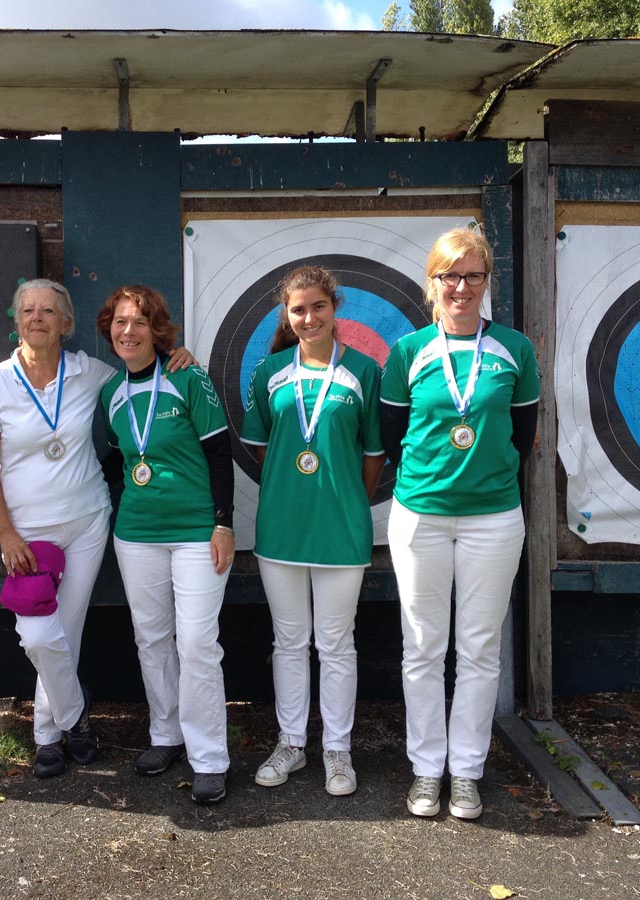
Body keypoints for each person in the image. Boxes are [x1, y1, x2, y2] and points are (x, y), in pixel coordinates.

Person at [0, 279, 193, 779]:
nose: (37, 318)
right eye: (28, 310)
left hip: (88, 521)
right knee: (38, 636)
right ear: (16, 321)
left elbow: (142, 370)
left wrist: (177, 358)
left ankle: (47, 739)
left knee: (66, 631)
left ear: (66, 324)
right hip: (27, 534)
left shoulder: (90, 372)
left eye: (48, 311)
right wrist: (5, 533)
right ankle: (73, 717)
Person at [380, 226, 540, 820]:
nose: (461, 287)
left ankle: (466, 771)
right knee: (422, 647)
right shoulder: (408, 351)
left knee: (479, 649)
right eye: (450, 275)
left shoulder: (515, 349)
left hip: (493, 518)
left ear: (486, 281)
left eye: (473, 275)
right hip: (420, 516)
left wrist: (480, 474)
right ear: (433, 282)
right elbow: (393, 437)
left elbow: (522, 435)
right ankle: (427, 769)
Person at [240, 265, 385, 797]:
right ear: (287, 314)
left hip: (341, 529)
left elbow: (374, 455)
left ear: (334, 307)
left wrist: (343, 496)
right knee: (289, 641)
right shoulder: (270, 372)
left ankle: (337, 750)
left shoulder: (365, 371)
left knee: (337, 644)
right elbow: (262, 447)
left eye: (318, 306)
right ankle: (292, 743)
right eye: (298, 309)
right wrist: (292, 485)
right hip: (281, 528)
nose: (309, 318)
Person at [97, 285, 235, 805]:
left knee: (197, 643)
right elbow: (120, 459)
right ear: (109, 330)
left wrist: (223, 524)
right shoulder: (112, 392)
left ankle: (210, 758)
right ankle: (166, 735)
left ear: (156, 329)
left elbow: (219, 454)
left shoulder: (187, 377)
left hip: (197, 532)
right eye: (120, 322)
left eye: (139, 322)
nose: (128, 331)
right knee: (152, 639)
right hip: (136, 534)